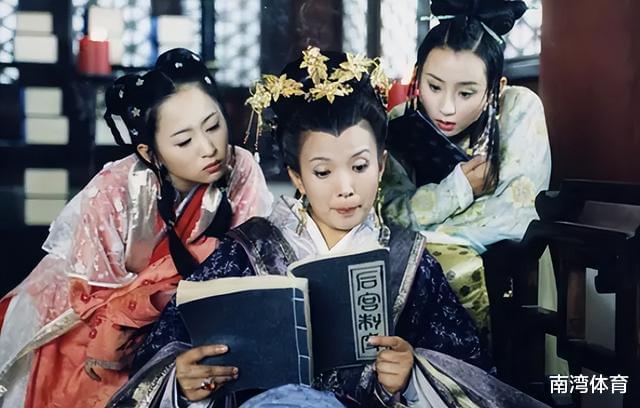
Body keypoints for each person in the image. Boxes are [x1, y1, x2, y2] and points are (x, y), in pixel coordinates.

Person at [115, 47, 546, 408]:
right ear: (297, 177)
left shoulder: (410, 262)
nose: (345, 188)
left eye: (359, 166)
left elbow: (473, 374)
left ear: (381, 165)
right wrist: (184, 381)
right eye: (322, 172)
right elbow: (159, 354)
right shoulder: (246, 251)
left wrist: (411, 375)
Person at [0, 48, 272, 408]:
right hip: (91, 320)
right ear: (149, 152)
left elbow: (244, 259)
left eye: (213, 126)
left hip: (186, 312)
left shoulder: (241, 168)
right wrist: (153, 299)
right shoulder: (115, 189)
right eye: (184, 141)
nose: (209, 148)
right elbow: (91, 294)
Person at [381, 0, 552, 338]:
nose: (446, 107)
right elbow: (389, 214)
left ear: (495, 88)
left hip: (505, 273)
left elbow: (515, 216)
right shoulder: (400, 121)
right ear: (417, 77)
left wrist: (426, 230)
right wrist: (459, 188)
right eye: (434, 87)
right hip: (413, 268)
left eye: (466, 93)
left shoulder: (519, 108)